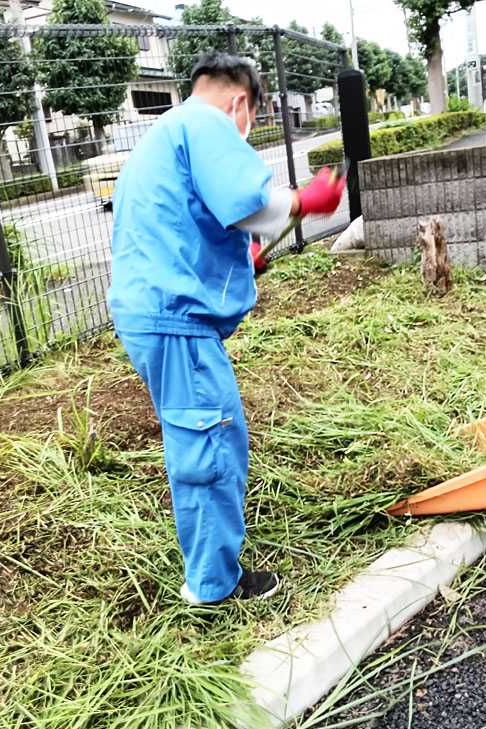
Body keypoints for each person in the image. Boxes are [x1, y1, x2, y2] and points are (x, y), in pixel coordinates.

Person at [108, 52, 345, 605]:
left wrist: (249, 258)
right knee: (209, 443)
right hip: (175, 319)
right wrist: (304, 201)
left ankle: (210, 566)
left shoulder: (166, 131)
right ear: (241, 102)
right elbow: (249, 203)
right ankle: (214, 585)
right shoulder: (205, 122)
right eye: (252, 122)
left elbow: (189, 221)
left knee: (206, 434)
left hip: (156, 310)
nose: (245, 133)